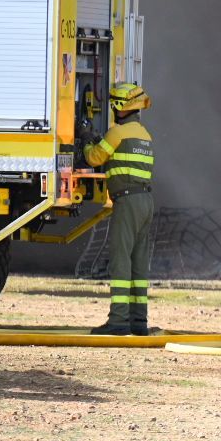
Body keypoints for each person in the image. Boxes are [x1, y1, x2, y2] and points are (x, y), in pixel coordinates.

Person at [84, 82, 156, 336]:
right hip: (145, 202)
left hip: (127, 203)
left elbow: (94, 158)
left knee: (120, 259)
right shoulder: (145, 135)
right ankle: (139, 322)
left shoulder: (117, 133)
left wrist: (85, 141)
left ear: (118, 106)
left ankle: (118, 320)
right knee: (138, 261)